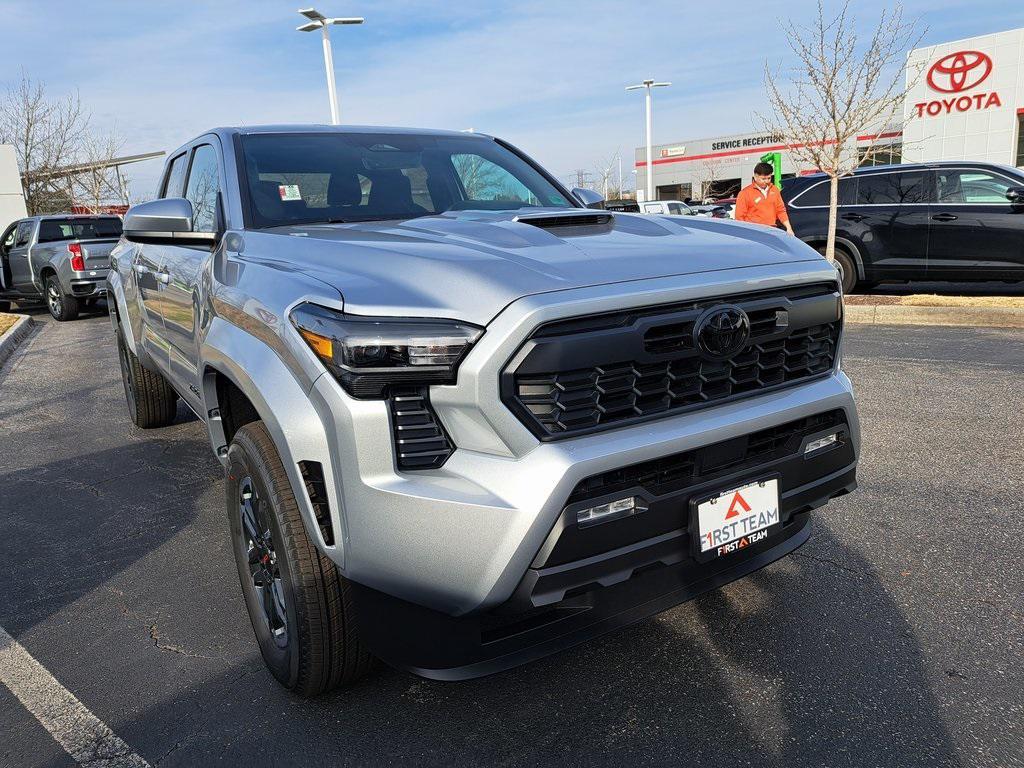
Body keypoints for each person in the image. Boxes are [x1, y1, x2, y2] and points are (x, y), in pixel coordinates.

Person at [735, 162, 794, 234]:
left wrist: (789, 228)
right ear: (755, 176)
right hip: (754, 231)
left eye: (769, 178)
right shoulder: (745, 193)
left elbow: (780, 210)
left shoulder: (774, 190)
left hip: (772, 230)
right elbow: (739, 218)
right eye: (763, 179)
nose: (766, 181)